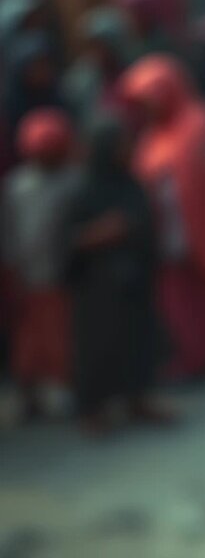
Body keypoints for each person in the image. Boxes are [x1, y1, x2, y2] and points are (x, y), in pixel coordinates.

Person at [121, 55, 205, 381]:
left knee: (202, 297)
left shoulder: (198, 126)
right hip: (169, 233)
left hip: (196, 232)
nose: (147, 109)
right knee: (176, 300)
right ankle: (185, 354)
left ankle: (202, 354)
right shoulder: (155, 131)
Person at [64, 116, 172, 435]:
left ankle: (137, 399)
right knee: (97, 348)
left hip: (134, 278)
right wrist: (99, 234)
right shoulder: (82, 190)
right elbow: (66, 240)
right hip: (96, 286)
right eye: (121, 145)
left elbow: (145, 222)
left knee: (138, 341)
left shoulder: (131, 183)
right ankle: (91, 409)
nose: (128, 150)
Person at [1, 109, 78, 419]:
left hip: (61, 277)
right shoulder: (16, 186)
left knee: (62, 338)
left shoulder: (73, 183)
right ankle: (28, 395)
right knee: (27, 343)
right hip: (27, 277)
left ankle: (62, 389)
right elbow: (8, 231)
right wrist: (11, 268)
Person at [61, 8, 138, 129]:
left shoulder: (136, 74)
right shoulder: (79, 79)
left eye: (100, 45)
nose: (95, 52)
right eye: (90, 46)